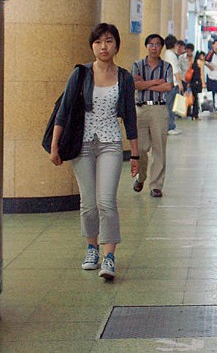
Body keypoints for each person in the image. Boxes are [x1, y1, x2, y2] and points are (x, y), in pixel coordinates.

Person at [50, 22, 139, 281]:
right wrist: (55, 145)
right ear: (92, 45)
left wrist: (135, 155)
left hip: (111, 142)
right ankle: (92, 248)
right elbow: (64, 111)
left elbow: (130, 117)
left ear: (116, 45)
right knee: (88, 203)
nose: (104, 46)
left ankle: (109, 256)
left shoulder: (124, 77)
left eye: (109, 41)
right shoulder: (80, 74)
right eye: (99, 41)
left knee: (106, 201)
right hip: (82, 144)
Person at [132, 33, 175, 198]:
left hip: (159, 110)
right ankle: (141, 177)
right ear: (146, 46)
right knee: (141, 148)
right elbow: (135, 85)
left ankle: (156, 185)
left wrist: (145, 85)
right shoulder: (137, 65)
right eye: (151, 44)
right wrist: (156, 82)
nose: (154, 47)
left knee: (159, 149)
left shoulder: (167, 67)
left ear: (161, 47)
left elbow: (168, 86)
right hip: (141, 110)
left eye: (157, 44)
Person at [162, 34, 183, 135]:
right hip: (173, 83)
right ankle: (170, 127)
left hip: (169, 83)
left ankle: (170, 126)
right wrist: (180, 83)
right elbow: (175, 71)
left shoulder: (167, 53)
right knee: (170, 106)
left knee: (169, 105)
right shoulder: (171, 55)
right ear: (175, 44)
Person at [187, 51, 206, 119]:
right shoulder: (201, 63)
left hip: (192, 82)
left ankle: (192, 113)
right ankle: (195, 114)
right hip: (198, 82)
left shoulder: (192, 62)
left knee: (194, 98)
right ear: (200, 56)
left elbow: (190, 73)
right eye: (203, 56)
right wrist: (203, 83)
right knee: (197, 98)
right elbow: (202, 74)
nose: (204, 57)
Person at [205, 39, 217, 109]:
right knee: (211, 94)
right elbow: (205, 61)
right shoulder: (210, 53)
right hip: (211, 78)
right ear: (213, 45)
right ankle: (210, 108)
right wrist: (211, 67)